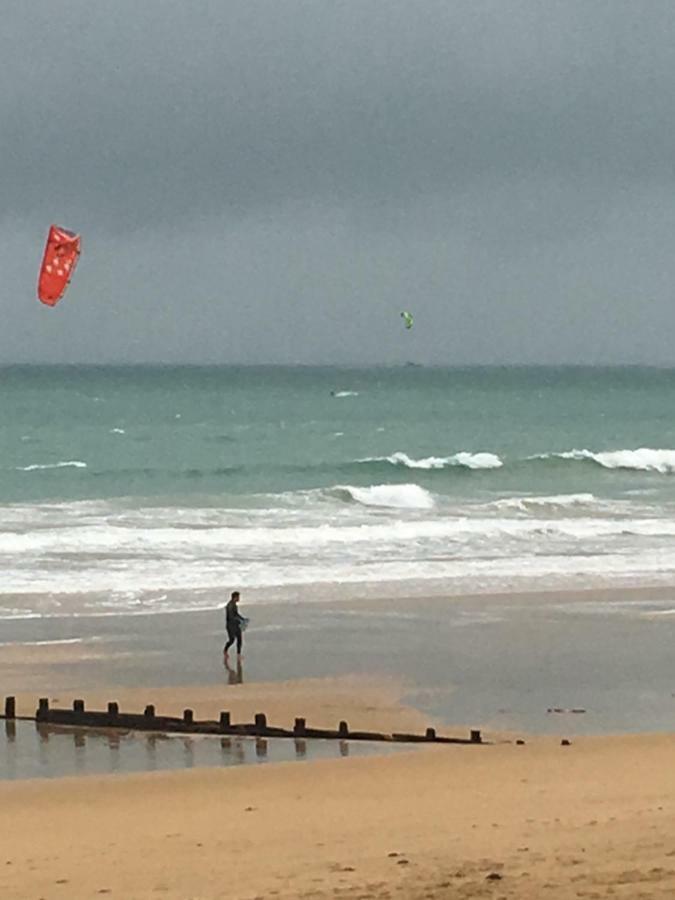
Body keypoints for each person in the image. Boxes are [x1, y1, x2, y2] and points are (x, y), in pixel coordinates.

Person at [223, 590, 244, 658]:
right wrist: (238, 620)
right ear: (235, 597)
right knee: (232, 640)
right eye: (238, 597)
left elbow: (236, 614)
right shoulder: (230, 606)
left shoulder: (234, 605)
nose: (239, 599)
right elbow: (231, 616)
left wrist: (242, 619)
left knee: (239, 639)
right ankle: (225, 650)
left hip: (236, 625)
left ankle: (238, 654)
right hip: (230, 625)